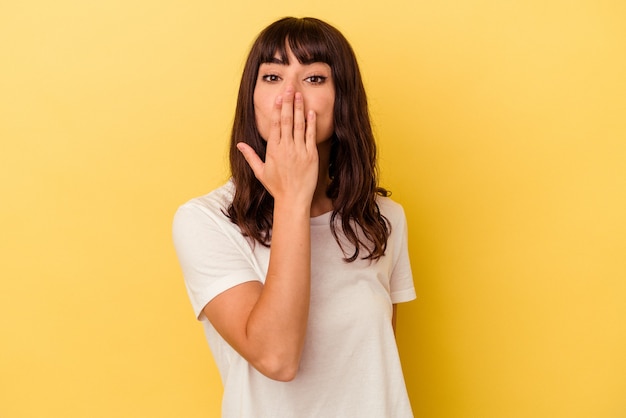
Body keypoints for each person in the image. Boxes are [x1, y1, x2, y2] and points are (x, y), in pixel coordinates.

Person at [173, 16, 416, 417]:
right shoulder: (206, 221)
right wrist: (291, 199)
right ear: (251, 99)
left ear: (343, 101)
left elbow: (376, 374)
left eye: (315, 79)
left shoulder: (383, 219)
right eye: (271, 77)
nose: (290, 95)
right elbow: (277, 358)